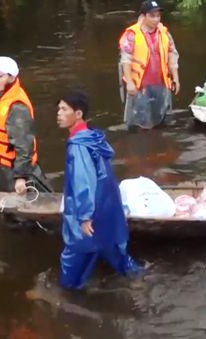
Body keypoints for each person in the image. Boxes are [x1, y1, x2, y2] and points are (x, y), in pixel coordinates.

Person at [56, 90, 141, 289]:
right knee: (114, 250)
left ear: (78, 114)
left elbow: (83, 181)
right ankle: (137, 279)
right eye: (58, 109)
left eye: (63, 109)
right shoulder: (93, 138)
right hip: (108, 206)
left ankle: (66, 294)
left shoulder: (78, 146)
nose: (58, 114)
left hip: (91, 212)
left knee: (74, 256)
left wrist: (85, 217)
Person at [0, 56, 53, 196]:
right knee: (6, 208)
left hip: (15, 171)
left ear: (11, 77)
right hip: (0, 167)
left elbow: (24, 146)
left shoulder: (17, 107)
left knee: (24, 212)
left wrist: (20, 177)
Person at [119, 0, 180, 129]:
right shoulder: (132, 35)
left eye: (158, 16)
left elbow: (172, 55)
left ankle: (158, 146)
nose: (156, 19)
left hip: (160, 84)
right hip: (140, 86)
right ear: (143, 16)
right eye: (152, 16)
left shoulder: (164, 33)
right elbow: (126, 60)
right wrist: (129, 83)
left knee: (160, 121)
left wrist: (176, 78)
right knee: (138, 124)